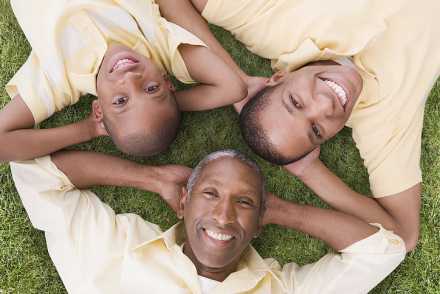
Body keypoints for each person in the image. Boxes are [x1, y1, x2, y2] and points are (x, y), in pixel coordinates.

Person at [178, 0, 440, 251]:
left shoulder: (268, 24)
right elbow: (404, 236)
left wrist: (234, 81)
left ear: (279, 78)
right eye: (316, 130)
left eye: (295, 101)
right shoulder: (382, 122)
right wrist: (309, 171)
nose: (324, 106)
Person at [11, 149, 405, 293]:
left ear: (259, 222)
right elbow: (36, 174)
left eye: (245, 202)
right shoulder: (116, 250)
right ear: (183, 202)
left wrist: (277, 211)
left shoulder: (281, 288)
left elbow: (381, 251)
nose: (223, 215)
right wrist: (152, 177)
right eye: (210, 194)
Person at [0, 0, 247, 162]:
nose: (130, 80)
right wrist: (167, 102)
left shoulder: (61, 81)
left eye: (120, 101)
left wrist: (88, 129)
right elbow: (233, 87)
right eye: (151, 89)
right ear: (167, 82)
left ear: (98, 109)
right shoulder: (158, 47)